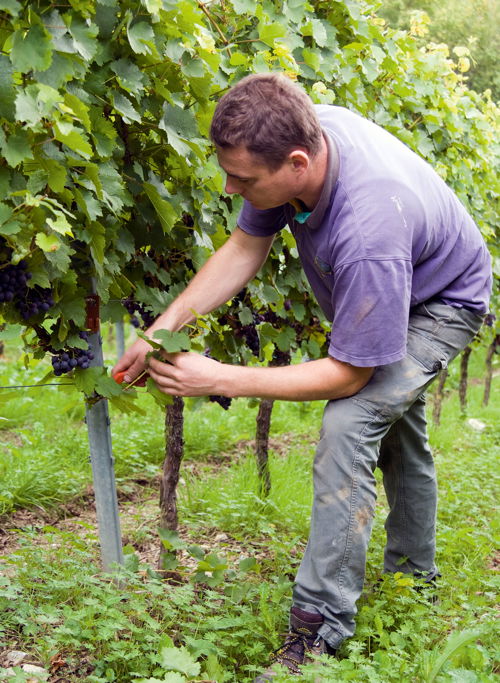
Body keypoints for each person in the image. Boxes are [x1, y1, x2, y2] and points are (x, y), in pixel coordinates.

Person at [113, 73, 492, 680]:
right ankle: (414, 580)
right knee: (397, 430)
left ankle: (319, 629)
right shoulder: (295, 147)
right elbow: (244, 247)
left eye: (243, 180)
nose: (231, 187)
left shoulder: (368, 228)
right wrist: (161, 328)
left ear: (297, 162)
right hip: (398, 277)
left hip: (444, 300)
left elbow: (347, 376)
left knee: (351, 420)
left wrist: (222, 378)